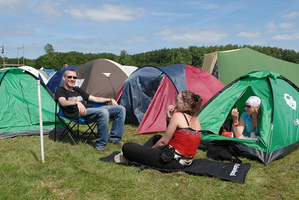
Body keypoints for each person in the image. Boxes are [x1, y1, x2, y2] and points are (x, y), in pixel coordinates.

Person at [114, 90, 202, 169]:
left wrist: (150, 151)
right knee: (156, 137)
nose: (175, 103)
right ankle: (138, 154)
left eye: (177, 100)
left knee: (127, 147)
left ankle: (134, 156)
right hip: (186, 161)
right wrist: (168, 118)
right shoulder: (197, 120)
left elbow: (164, 142)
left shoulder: (178, 116)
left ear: (184, 105)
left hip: (171, 160)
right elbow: (174, 137)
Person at [55, 69, 126, 151]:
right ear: (64, 78)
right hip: (77, 113)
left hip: (90, 110)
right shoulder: (61, 90)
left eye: (74, 77)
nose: (72, 79)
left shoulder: (77, 90)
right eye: (69, 77)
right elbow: (63, 102)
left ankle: (115, 139)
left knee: (120, 109)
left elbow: (94, 98)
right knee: (103, 112)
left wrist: (109, 99)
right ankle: (100, 145)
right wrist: (76, 103)